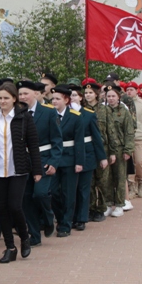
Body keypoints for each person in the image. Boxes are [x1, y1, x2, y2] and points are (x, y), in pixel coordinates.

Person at [0, 82, 41, 263]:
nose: (2, 101)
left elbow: (33, 143)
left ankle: (24, 237)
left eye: (6, 98)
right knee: (2, 208)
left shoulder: (23, 117)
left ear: (14, 99)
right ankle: (10, 247)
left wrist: (37, 170)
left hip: (18, 169)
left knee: (15, 206)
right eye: (0, 98)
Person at [17, 80, 62, 246]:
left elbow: (57, 140)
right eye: (20, 94)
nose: (22, 97)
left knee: (41, 194)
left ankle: (49, 217)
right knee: (26, 198)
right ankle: (34, 235)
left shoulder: (48, 113)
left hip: (43, 160)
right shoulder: (16, 113)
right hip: (23, 161)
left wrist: (54, 162)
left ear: (35, 94)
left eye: (25, 93)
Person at [49, 85, 85, 237]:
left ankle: (66, 224)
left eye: (57, 99)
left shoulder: (76, 117)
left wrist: (79, 162)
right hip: (54, 159)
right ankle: (59, 216)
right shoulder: (49, 115)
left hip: (70, 158)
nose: (54, 101)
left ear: (66, 100)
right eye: (53, 99)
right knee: (51, 191)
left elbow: (79, 141)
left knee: (68, 193)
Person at [82, 79, 114, 221]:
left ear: (96, 94)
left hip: (103, 149)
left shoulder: (104, 110)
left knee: (102, 180)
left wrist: (112, 152)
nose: (88, 95)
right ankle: (90, 208)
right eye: (86, 93)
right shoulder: (82, 110)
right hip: (88, 150)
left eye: (90, 93)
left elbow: (110, 131)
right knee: (90, 181)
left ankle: (100, 208)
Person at [103, 84, 134, 215]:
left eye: (113, 96)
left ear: (118, 97)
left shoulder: (124, 111)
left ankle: (120, 204)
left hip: (120, 148)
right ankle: (109, 203)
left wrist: (128, 150)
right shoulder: (103, 110)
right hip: (106, 148)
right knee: (107, 177)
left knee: (120, 177)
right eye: (108, 96)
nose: (110, 99)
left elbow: (129, 132)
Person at [123, 82, 142, 198]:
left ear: (136, 91)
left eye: (131, 89)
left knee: (140, 162)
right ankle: (131, 186)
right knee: (129, 164)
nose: (129, 92)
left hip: (140, 137)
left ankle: (141, 182)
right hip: (127, 138)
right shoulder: (123, 104)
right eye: (127, 89)